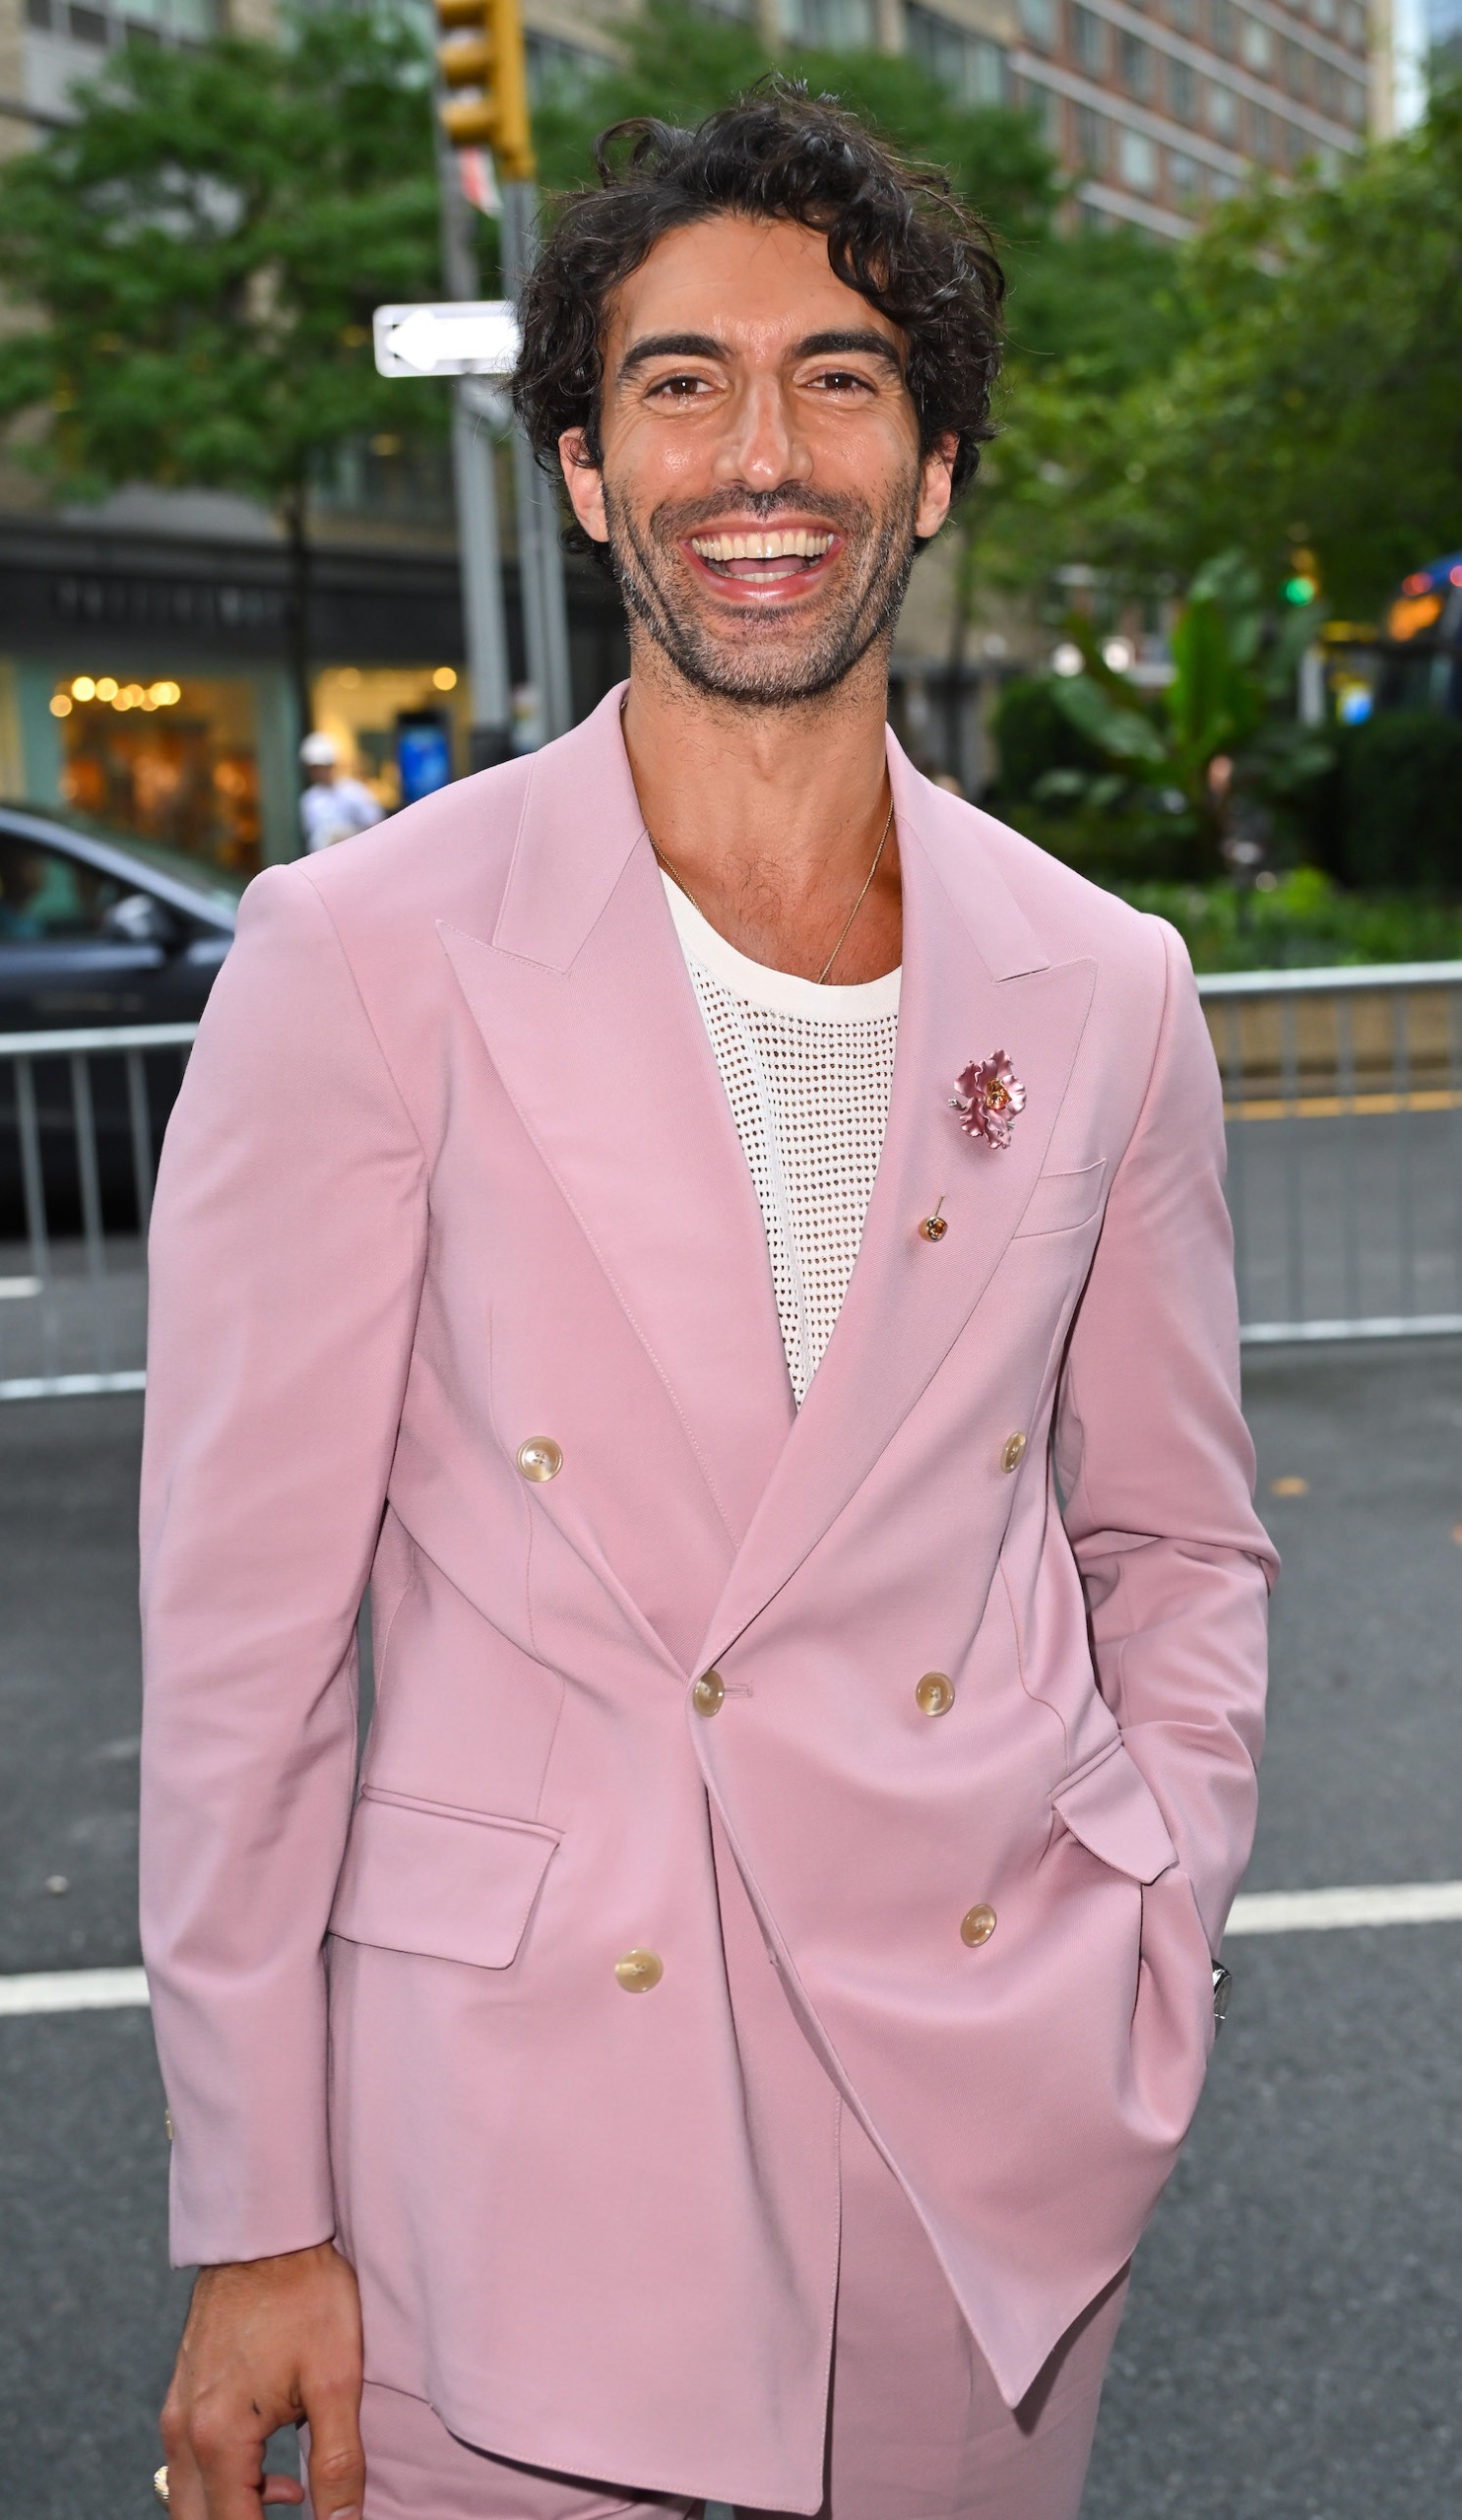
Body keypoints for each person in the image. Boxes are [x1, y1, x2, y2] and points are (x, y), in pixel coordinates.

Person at [140, 89, 1275, 2520]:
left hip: (979, 2135)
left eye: (841, 378)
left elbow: (1177, 1538)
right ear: (579, 466)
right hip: (510, 2165)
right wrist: (253, 2211)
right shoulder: (361, 958)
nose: (760, 455)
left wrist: (1147, 1914)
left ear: (939, 462)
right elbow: (243, 1639)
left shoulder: (1105, 980)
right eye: (679, 383)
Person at [296, 731, 385, 851]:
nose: (319, 773)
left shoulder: (354, 791)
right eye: (314, 769)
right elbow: (311, 834)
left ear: (332, 765)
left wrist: (348, 836)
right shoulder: (309, 799)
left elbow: (376, 822)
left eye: (323, 767)